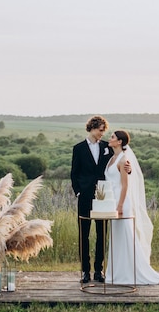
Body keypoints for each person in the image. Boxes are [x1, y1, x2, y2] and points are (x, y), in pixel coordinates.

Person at [104, 130, 159, 285]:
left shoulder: (123, 160)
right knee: (116, 238)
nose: (109, 139)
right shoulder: (112, 158)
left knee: (126, 237)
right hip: (112, 201)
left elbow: (125, 185)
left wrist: (120, 205)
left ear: (120, 142)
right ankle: (116, 273)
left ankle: (131, 273)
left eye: (112, 137)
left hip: (122, 202)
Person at [70, 115, 113, 284]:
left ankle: (98, 271)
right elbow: (74, 173)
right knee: (84, 234)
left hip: (103, 195)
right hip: (85, 195)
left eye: (104, 130)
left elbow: (116, 164)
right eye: (101, 130)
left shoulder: (107, 147)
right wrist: (78, 192)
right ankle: (85, 272)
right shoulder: (78, 148)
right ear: (92, 128)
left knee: (102, 233)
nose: (103, 133)